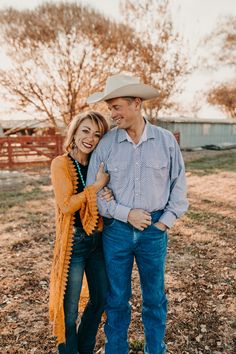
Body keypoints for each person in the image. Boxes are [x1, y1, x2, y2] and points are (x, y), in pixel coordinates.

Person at [86, 73, 189, 354]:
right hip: (116, 231)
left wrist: (165, 223)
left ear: (136, 103)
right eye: (110, 108)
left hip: (154, 232)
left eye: (117, 107)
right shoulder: (106, 144)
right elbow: (93, 189)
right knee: (117, 298)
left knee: (154, 298)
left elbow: (179, 184)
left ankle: (155, 349)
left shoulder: (166, 141)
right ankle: (116, 349)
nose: (112, 114)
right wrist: (124, 213)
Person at [49, 111, 112, 354]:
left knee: (101, 298)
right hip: (74, 243)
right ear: (74, 132)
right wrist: (97, 186)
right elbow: (66, 205)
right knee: (70, 310)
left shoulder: (98, 162)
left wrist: (106, 193)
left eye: (97, 134)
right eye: (85, 131)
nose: (90, 138)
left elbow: (102, 198)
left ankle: (84, 349)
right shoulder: (61, 164)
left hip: (97, 241)